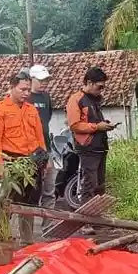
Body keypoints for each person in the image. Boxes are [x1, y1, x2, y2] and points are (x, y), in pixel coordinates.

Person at [0, 69, 48, 243]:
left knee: (28, 203)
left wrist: (45, 161)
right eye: (22, 89)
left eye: (28, 89)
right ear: (12, 87)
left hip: (32, 161)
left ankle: (27, 240)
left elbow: (39, 137)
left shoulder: (31, 110)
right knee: (6, 201)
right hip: (11, 160)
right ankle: (0, 238)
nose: (26, 93)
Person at [65, 66, 118, 205]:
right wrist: (97, 127)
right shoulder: (76, 99)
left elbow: (92, 121)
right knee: (89, 185)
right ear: (89, 83)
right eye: (99, 87)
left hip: (100, 147)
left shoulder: (95, 100)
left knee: (100, 186)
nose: (101, 90)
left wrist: (104, 125)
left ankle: (97, 219)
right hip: (87, 148)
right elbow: (74, 125)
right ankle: (87, 221)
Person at [27, 64, 59, 208]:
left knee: (49, 189)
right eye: (41, 80)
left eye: (46, 80)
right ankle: (27, 228)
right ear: (31, 79)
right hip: (29, 151)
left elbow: (48, 118)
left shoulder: (46, 97)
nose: (44, 83)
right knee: (31, 192)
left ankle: (48, 227)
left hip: (46, 148)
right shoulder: (25, 97)